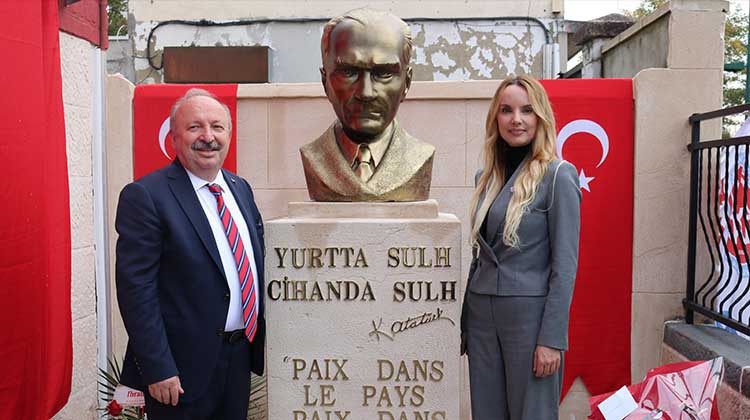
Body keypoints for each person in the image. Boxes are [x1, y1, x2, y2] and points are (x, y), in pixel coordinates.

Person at [115, 88, 265, 420]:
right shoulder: (146, 196)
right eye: (195, 127)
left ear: (229, 135)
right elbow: (136, 291)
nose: (208, 137)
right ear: (174, 138)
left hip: (238, 359)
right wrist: (157, 367)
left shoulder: (240, 189)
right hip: (179, 372)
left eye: (217, 127)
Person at [460, 75, 581, 420]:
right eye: (507, 110)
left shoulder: (558, 175)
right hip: (482, 316)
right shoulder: (486, 177)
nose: (516, 119)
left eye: (527, 110)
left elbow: (565, 265)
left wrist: (552, 339)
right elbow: (482, 254)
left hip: (529, 320)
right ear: (495, 118)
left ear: (540, 117)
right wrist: (467, 321)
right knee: (487, 413)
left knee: (533, 413)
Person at [300, 8, 435, 202]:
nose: (366, 93)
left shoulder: (419, 157)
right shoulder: (314, 157)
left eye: (383, 73)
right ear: (325, 82)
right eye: (348, 72)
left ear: (406, 83)